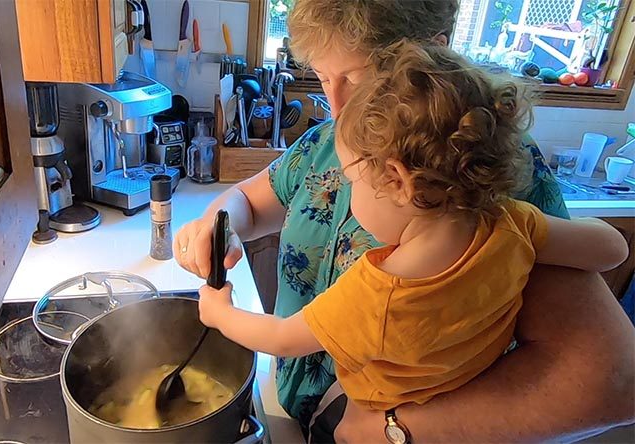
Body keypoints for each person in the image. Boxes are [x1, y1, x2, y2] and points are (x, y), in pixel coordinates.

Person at [174, 1, 635, 441]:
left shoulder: (490, 172)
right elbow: (248, 203)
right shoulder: (331, 140)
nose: (335, 106)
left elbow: (612, 382)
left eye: (358, 79)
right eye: (321, 75)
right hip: (298, 416)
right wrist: (218, 223)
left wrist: (391, 429)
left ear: (431, 55)